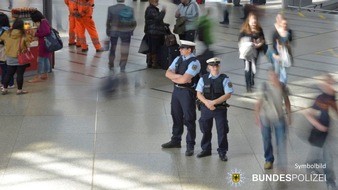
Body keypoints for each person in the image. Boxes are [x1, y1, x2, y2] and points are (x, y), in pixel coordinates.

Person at [162, 40, 201, 157]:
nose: (180, 49)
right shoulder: (178, 59)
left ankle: (190, 145)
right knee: (176, 115)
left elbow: (185, 80)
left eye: (182, 48)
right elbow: (167, 73)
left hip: (187, 93)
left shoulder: (194, 62)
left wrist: (177, 78)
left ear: (189, 49)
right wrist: (179, 77)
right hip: (177, 91)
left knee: (189, 118)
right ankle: (176, 140)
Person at [195, 57, 233, 161]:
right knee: (205, 129)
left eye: (216, 65)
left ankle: (222, 151)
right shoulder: (203, 78)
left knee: (222, 131)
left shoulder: (224, 79)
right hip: (206, 108)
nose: (215, 68)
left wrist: (214, 102)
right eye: (212, 66)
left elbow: (228, 94)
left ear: (219, 66)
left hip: (220, 109)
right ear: (208, 67)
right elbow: (198, 93)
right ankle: (206, 149)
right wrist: (207, 102)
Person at [303, 74, 337, 189]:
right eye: (329, 83)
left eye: (331, 83)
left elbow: (333, 109)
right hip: (318, 133)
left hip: (327, 133)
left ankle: (330, 181)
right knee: (316, 154)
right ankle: (310, 166)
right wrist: (319, 126)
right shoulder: (320, 98)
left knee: (327, 157)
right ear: (324, 85)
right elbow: (308, 114)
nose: (331, 86)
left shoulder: (331, 95)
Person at [255, 69, 291, 170]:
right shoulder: (264, 87)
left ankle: (281, 162)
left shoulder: (283, 87)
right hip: (265, 117)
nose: (274, 77)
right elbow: (258, 103)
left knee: (281, 140)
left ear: (278, 76)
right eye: (271, 75)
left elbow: (287, 102)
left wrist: (289, 116)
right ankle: (268, 159)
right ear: (269, 76)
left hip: (279, 117)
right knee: (266, 139)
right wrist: (257, 117)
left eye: (276, 75)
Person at [0, 19, 32, 95]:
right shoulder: (24, 35)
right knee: (20, 74)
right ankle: (19, 90)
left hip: (9, 57)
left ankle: (4, 89)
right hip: (20, 57)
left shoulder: (7, 33)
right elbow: (28, 44)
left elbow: (1, 38)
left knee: (8, 74)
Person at [238, 12, 266, 93]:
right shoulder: (244, 31)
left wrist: (259, 44)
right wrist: (247, 43)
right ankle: (248, 85)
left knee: (254, 67)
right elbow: (240, 40)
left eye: (255, 21)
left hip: (255, 52)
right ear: (248, 21)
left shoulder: (259, 30)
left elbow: (263, 40)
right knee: (247, 69)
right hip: (246, 53)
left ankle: (252, 78)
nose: (253, 23)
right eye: (252, 21)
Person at [106, 0, 136, 72]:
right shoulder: (130, 9)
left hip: (114, 31)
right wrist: (131, 31)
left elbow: (108, 21)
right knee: (125, 49)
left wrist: (108, 31)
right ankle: (123, 65)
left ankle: (111, 64)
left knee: (113, 48)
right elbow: (133, 22)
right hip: (126, 31)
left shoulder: (111, 8)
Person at [268, 15, 293, 85]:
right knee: (277, 72)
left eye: (286, 24)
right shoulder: (275, 33)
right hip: (278, 56)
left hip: (285, 56)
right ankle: (278, 85)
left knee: (284, 74)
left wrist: (285, 45)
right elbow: (273, 45)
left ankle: (282, 86)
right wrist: (275, 55)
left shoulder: (289, 33)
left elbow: (290, 42)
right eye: (284, 24)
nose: (285, 25)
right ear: (281, 24)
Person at [28, 10, 52, 83]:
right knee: (45, 59)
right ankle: (45, 74)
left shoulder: (43, 22)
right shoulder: (44, 21)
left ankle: (38, 76)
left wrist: (36, 34)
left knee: (40, 60)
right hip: (46, 44)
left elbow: (46, 32)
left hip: (43, 44)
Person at [144, 0, 166, 69]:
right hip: (154, 32)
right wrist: (163, 12)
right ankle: (154, 63)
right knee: (154, 48)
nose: (157, 2)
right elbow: (158, 19)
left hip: (152, 31)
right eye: (155, 1)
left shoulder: (152, 9)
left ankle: (150, 62)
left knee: (151, 47)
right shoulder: (151, 9)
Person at [0, 12, 14, 89]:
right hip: (4, 51)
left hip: (4, 51)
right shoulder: (8, 29)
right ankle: (3, 82)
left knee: (5, 67)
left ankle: (10, 83)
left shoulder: (5, 30)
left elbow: (3, 41)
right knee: (4, 67)